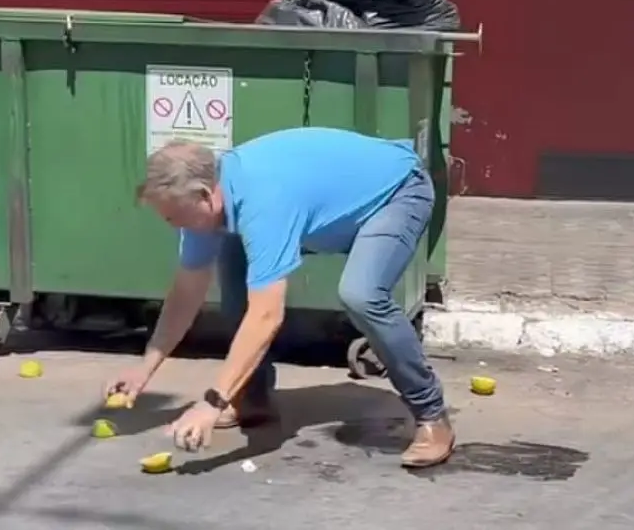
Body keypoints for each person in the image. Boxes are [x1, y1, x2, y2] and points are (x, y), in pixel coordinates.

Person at [103, 126, 455, 469]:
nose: (173, 226)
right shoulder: (206, 203)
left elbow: (267, 316)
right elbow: (185, 293)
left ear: (205, 196)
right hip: (328, 212)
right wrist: (143, 369)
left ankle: (432, 415)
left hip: (396, 192)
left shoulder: (262, 200)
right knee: (233, 257)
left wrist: (210, 401)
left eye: (175, 217)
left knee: (361, 294)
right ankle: (250, 399)